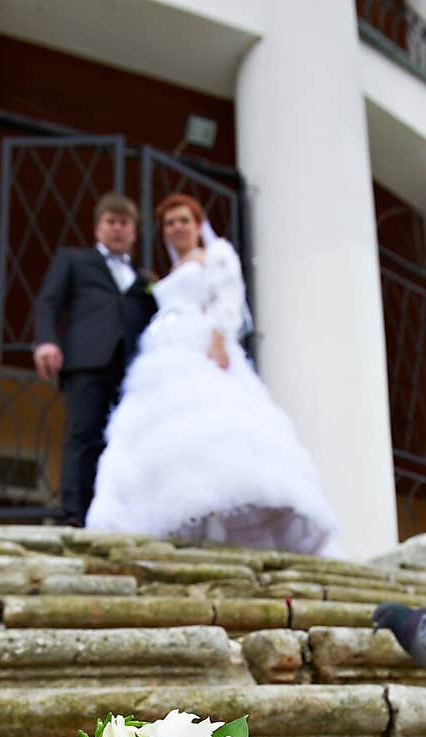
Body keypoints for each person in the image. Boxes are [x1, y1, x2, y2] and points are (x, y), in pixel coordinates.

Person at [84, 194, 342, 555]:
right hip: (163, 358)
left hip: (201, 347)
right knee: (167, 438)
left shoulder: (216, 254)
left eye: (183, 220)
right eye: (170, 223)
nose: (177, 228)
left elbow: (228, 297)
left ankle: (225, 516)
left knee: (214, 431)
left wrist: (219, 339)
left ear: (197, 224)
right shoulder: (171, 271)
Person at [32, 192, 157, 526]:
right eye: (110, 222)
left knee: (125, 442)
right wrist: (46, 341)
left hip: (132, 371)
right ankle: (76, 514)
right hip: (87, 361)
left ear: (134, 231)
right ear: (98, 227)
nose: (117, 229)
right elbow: (49, 301)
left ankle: (118, 514)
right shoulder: (73, 260)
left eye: (124, 223)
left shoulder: (144, 279)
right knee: (83, 436)